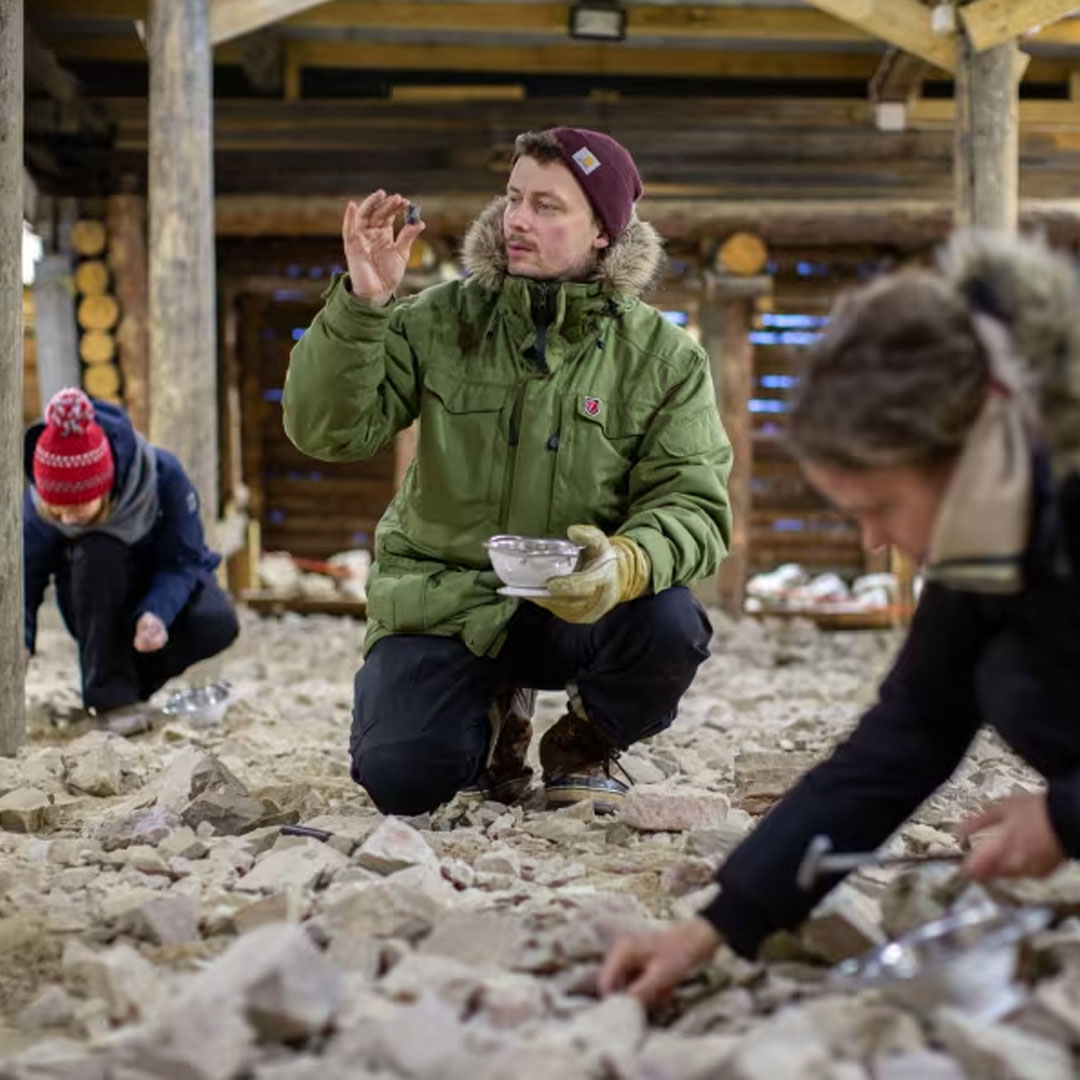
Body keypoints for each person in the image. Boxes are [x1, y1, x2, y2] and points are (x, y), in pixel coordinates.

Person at [599, 230, 1080, 1005]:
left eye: (882, 505)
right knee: (1002, 671)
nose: (874, 541)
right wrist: (716, 925)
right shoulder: (987, 519)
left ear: (969, 443)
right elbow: (905, 738)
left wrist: (1064, 811)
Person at [284, 126, 732, 814]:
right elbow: (328, 432)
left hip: (574, 603)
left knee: (670, 622)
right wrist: (363, 306)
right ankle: (494, 727)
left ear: (604, 233)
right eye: (514, 197)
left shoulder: (664, 358)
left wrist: (626, 563)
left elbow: (694, 506)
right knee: (405, 782)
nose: (517, 219)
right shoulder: (438, 320)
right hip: (446, 601)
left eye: (548, 206)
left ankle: (586, 741)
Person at [24, 388, 239, 720]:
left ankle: (132, 686)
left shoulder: (164, 476)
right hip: (92, 598)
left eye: (78, 508)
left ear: (106, 484)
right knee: (97, 548)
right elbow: (26, 576)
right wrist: (21, 640)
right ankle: (112, 700)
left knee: (217, 620)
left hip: (155, 586)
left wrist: (157, 612)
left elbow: (184, 560)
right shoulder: (39, 503)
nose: (66, 519)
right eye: (57, 510)